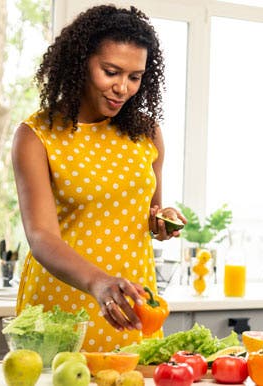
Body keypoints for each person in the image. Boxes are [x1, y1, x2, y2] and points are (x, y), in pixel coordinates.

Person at [11, 4, 185, 352]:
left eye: (134, 77)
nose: (122, 87)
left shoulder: (146, 133)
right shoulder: (37, 136)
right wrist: (99, 283)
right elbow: (41, 236)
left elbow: (151, 215)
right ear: (81, 63)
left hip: (133, 307)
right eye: (111, 72)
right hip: (61, 311)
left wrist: (162, 223)